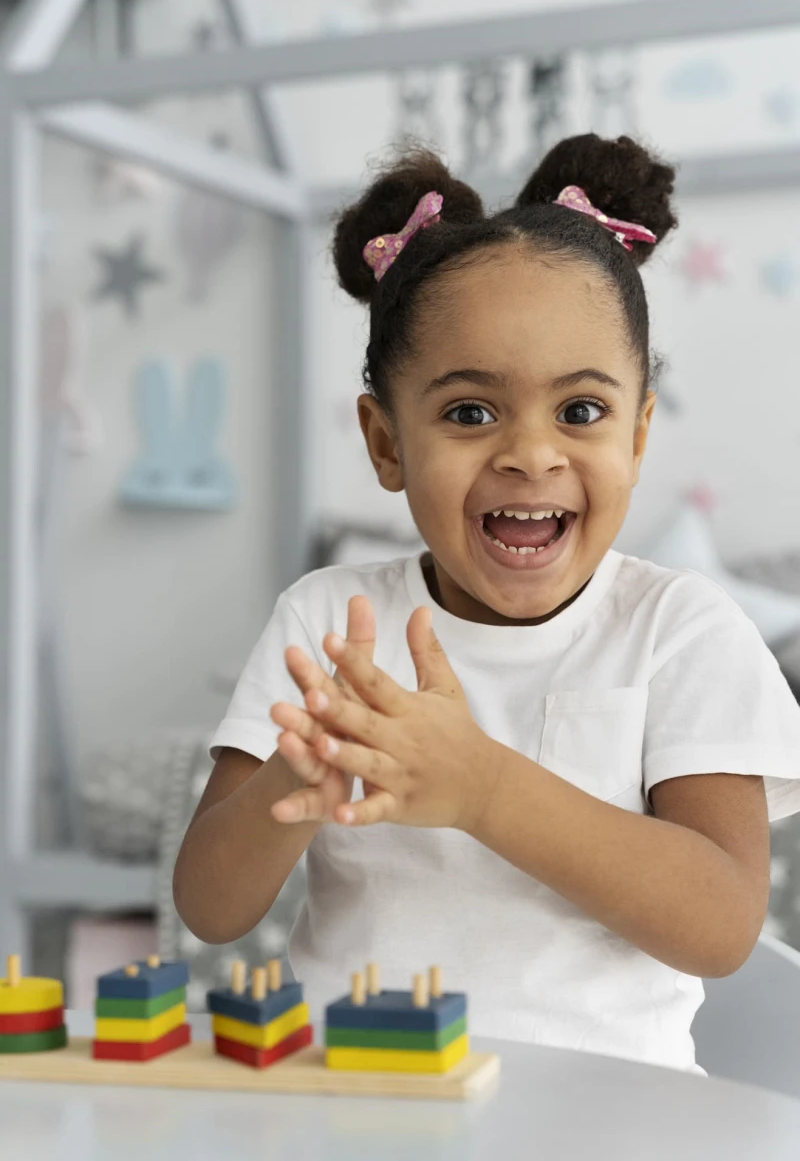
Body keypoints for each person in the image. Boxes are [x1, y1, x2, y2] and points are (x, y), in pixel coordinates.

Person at [173, 133, 800, 1074]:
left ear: (637, 433)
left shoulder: (683, 631)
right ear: (386, 443)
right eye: (470, 412)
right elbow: (211, 908)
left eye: (580, 412)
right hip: (362, 1109)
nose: (530, 455)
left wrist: (483, 787)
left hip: (609, 1128)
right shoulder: (330, 622)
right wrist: (296, 783)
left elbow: (718, 925)